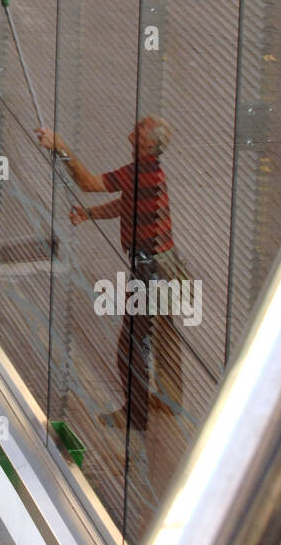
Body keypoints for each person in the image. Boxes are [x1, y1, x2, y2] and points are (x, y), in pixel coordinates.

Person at [35, 117, 186, 433]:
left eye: (141, 128)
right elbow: (127, 204)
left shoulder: (140, 172)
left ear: (146, 144)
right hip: (166, 265)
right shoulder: (148, 174)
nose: (133, 128)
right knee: (162, 335)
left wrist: (61, 147)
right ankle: (169, 401)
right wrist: (90, 215)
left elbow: (88, 183)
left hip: (152, 270)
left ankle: (136, 415)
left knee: (130, 345)